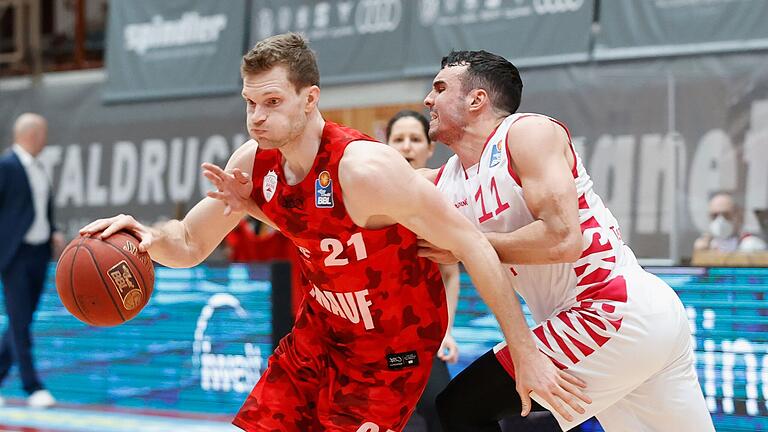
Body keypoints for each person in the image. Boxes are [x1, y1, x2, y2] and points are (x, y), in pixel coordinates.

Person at [80, 34, 589, 432]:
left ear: (310, 99)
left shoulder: (365, 169)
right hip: (319, 335)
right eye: (250, 103)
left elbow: (473, 245)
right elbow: (189, 245)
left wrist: (522, 351)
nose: (257, 117)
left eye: (272, 102)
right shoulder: (255, 165)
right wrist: (146, 238)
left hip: (391, 349)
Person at [415, 50, 715, 431]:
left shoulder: (527, 133)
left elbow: (562, 238)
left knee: (462, 407)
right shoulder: (446, 180)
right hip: (630, 324)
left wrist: (467, 246)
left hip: (609, 309)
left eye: (440, 88)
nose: (428, 100)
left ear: (477, 99)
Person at [385, 110, 460, 432]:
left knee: (439, 408)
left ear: (430, 149)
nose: (407, 147)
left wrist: (446, 331)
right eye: (398, 139)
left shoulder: (442, 201)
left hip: (423, 336)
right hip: (374, 338)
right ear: (385, 146)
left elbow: (450, 273)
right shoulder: (365, 200)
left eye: (415, 139)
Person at [0, 113, 64, 408]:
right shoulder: (7, 166)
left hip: (39, 253)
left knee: (21, 321)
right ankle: (32, 386)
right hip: (15, 255)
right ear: (33, 134)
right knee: (20, 321)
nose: (46, 139)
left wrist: (52, 231)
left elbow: (38, 209)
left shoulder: (38, 168)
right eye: (44, 133)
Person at [693, 191, 766, 253]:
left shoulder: (753, 246)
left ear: (739, 216)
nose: (720, 220)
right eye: (714, 216)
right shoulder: (706, 245)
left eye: (726, 215)